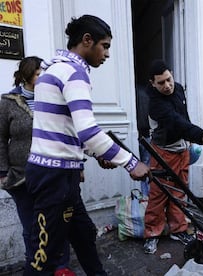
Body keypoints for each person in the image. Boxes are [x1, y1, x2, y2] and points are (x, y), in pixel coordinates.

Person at [24, 15, 150, 275]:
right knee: (44, 255)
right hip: (55, 177)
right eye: (105, 46)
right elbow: (88, 130)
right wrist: (129, 162)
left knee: (83, 234)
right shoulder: (74, 72)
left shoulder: (53, 69)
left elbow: (67, 130)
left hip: (59, 174)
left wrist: (96, 154)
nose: (107, 54)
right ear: (87, 40)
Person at [0, 57, 76, 276]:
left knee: (58, 223)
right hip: (21, 176)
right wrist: (3, 173)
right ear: (26, 75)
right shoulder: (8, 102)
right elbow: (0, 139)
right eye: (37, 72)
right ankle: (35, 265)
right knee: (32, 227)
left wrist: (77, 167)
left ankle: (61, 267)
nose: (43, 75)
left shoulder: (55, 99)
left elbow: (69, 132)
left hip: (54, 173)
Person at [143, 59, 203, 254]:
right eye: (161, 83)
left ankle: (178, 229)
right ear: (152, 83)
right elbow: (176, 122)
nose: (167, 86)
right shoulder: (154, 103)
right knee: (159, 193)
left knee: (180, 190)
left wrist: (192, 139)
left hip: (182, 148)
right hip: (163, 151)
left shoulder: (177, 89)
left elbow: (183, 117)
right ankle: (152, 233)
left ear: (172, 74)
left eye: (169, 79)